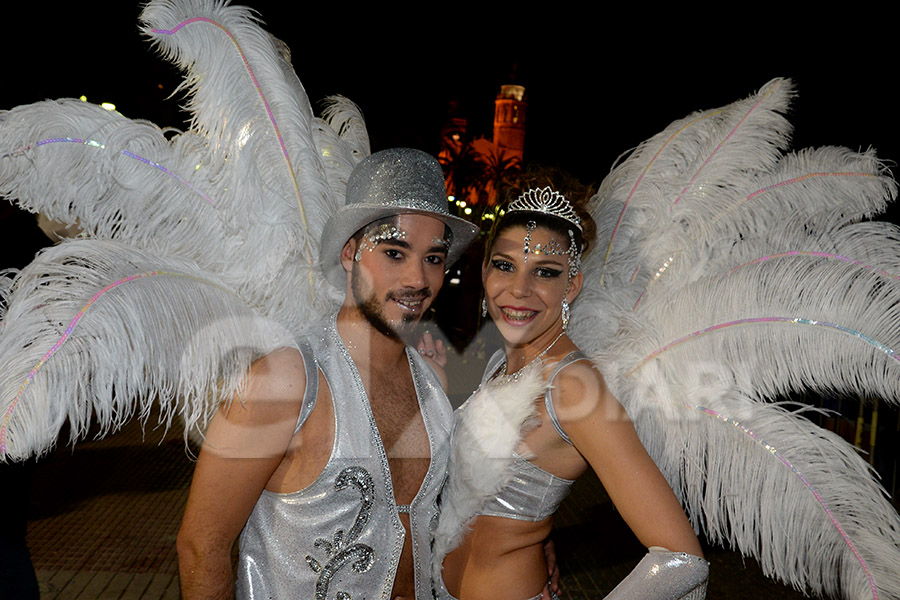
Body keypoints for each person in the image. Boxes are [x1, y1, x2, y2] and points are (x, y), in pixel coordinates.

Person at [175, 147, 481, 599]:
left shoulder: (434, 383)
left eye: (433, 258)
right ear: (350, 253)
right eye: (395, 252)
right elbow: (202, 545)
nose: (418, 279)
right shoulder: (286, 380)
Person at [429, 170, 709, 600]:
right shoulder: (501, 365)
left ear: (571, 286)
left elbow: (680, 557)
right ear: (484, 271)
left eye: (544, 272)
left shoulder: (575, 386)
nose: (519, 289)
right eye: (505, 266)